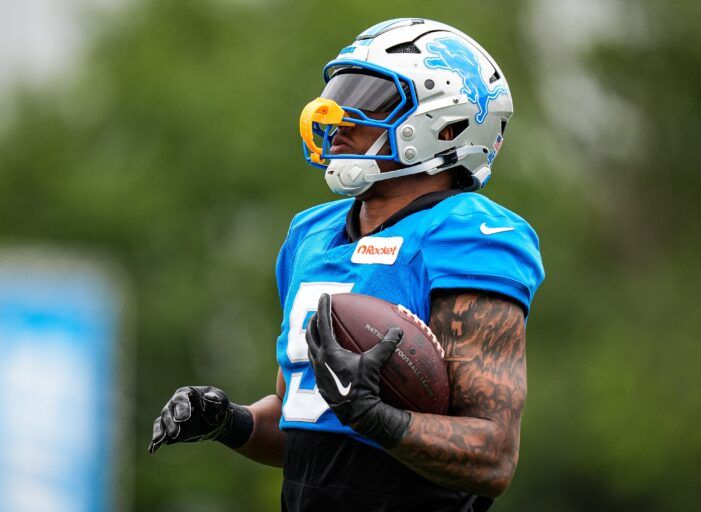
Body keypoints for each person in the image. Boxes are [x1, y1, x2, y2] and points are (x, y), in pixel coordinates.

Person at [149, 18, 545, 512]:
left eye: (369, 98)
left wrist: (376, 418)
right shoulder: (311, 233)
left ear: (447, 125)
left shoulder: (468, 235)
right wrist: (230, 422)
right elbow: (306, 424)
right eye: (339, 92)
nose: (338, 116)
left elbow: (492, 456)